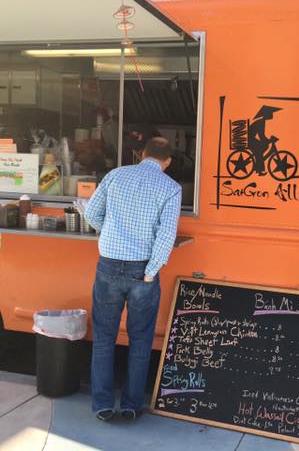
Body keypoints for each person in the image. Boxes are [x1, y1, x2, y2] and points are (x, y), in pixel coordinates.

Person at [83, 136, 182, 423]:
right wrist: (151, 272)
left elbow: (91, 213)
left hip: (109, 265)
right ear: (167, 162)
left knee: (103, 337)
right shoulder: (171, 187)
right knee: (140, 339)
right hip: (143, 271)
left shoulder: (116, 175)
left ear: (141, 154)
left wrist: (108, 234)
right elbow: (166, 235)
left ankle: (102, 405)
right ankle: (131, 405)